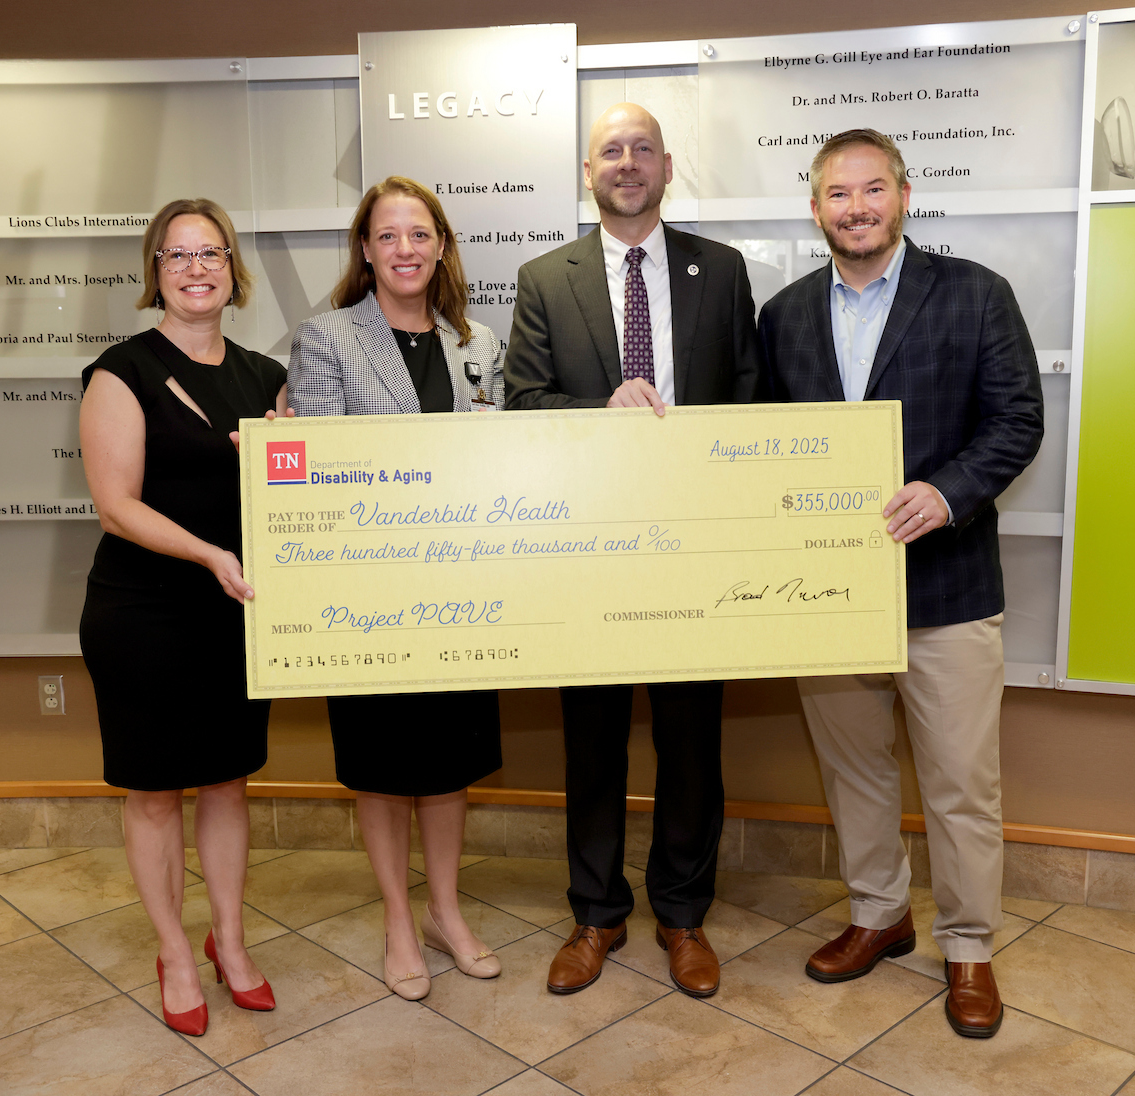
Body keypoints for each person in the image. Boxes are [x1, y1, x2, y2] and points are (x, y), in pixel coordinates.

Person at [758, 129, 1044, 1038]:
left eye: (871, 189)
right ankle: (878, 916)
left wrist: (947, 491)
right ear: (815, 211)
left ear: (904, 195)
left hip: (948, 585)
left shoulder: (974, 293)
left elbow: (1017, 420)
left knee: (961, 783)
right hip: (829, 597)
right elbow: (765, 447)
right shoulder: (785, 315)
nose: (856, 208)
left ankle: (967, 949)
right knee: (855, 773)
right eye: (837, 195)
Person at [505, 103, 764, 998]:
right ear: (589, 171)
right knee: (594, 738)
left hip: (695, 550)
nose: (627, 162)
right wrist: (598, 411)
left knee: (694, 741)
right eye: (611, 150)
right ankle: (596, 914)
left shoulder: (721, 271)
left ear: (665, 165)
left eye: (642, 148)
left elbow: (749, 399)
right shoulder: (545, 278)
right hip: (591, 551)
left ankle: (684, 917)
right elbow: (526, 407)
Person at [288, 176, 505, 1001]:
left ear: (441, 245)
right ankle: (395, 922)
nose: (405, 249)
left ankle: (447, 913)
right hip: (366, 595)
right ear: (366, 250)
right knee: (382, 768)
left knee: (447, 766)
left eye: (420, 234)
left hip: (460, 587)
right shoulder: (328, 338)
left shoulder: (477, 340)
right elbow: (314, 477)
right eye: (388, 236)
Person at [80, 199, 287, 1036]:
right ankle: (173, 950)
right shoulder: (119, 372)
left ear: (234, 270)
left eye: (211, 254)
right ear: (154, 272)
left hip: (237, 614)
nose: (197, 269)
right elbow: (115, 506)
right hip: (145, 614)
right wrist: (207, 554)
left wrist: (280, 466)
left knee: (227, 785)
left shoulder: (268, 378)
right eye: (178, 256)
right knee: (156, 795)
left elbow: (295, 496)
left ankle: (229, 942)